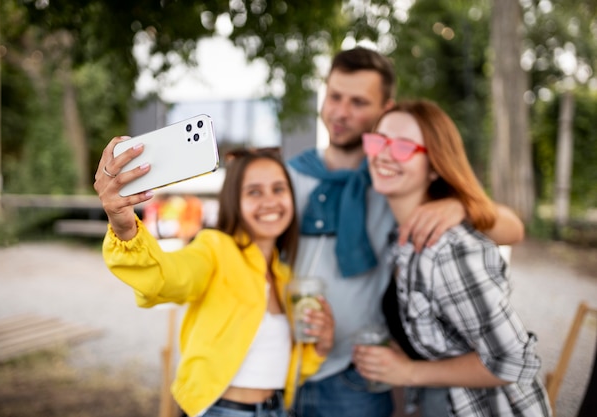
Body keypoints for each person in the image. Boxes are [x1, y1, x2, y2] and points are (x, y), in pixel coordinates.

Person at [286, 47, 526, 417]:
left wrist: (461, 206)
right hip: (282, 366)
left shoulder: (395, 186)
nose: (341, 112)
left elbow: (513, 228)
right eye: (334, 96)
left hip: (355, 374)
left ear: (385, 110)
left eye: (358, 102)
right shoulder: (286, 179)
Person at [93, 143, 335, 417]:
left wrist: (321, 346)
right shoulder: (215, 249)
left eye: (278, 189)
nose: (270, 201)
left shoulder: (284, 276)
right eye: (254, 191)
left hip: (278, 410)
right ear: (234, 200)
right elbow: (167, 278)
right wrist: (124, 226)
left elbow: (280, 365)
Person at [352, 99, 551, 416]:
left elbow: (515, 362)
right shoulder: (400, 237)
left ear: (434, 167)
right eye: (378, 141)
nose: (384, 154)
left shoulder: (449, 250)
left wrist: (408, 373)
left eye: (404, 147)